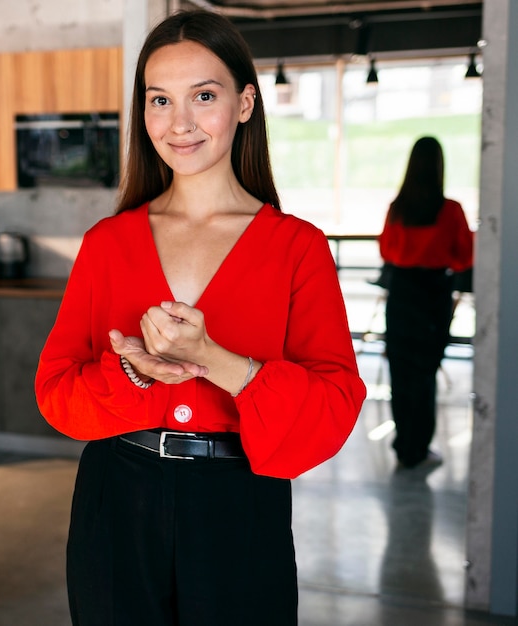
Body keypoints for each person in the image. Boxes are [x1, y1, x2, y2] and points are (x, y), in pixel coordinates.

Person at [35, 9, 366, 625]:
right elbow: (56, 393)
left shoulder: (298, 247)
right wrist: (134, 376)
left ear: (244, 104)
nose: (179, 123)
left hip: (240, 504)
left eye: (203, 96)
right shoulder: (109, 242)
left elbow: (335, 405)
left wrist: (217, 362)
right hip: (116, 499)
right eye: (160, 99)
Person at [378, 136, 473, 471]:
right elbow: (464, 258)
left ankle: (404, 445)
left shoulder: (397, 208)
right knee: (425, 373)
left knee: (400, 373)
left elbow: (387, 251)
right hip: (434, 294)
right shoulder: (450, 210)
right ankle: (420, 446)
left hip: (402, 293)